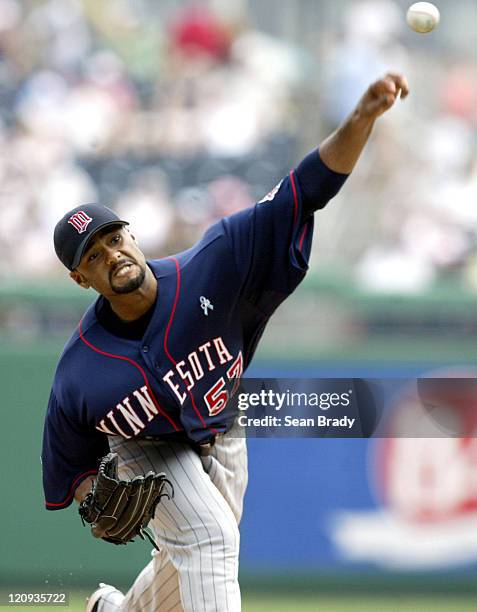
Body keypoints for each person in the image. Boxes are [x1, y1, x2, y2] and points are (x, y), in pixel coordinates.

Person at [41, 73, 409, 612]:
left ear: (132, 235)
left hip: (221, 423)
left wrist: (360, 120)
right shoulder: (81, 371)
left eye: (113, 239)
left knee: (192, 552)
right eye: (93, 256)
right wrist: (91, 495)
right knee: (210, 539)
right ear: (80, 279)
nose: (112, 255)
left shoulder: (211, 264)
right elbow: (66, 464)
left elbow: (303, 190)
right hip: (146, 447)